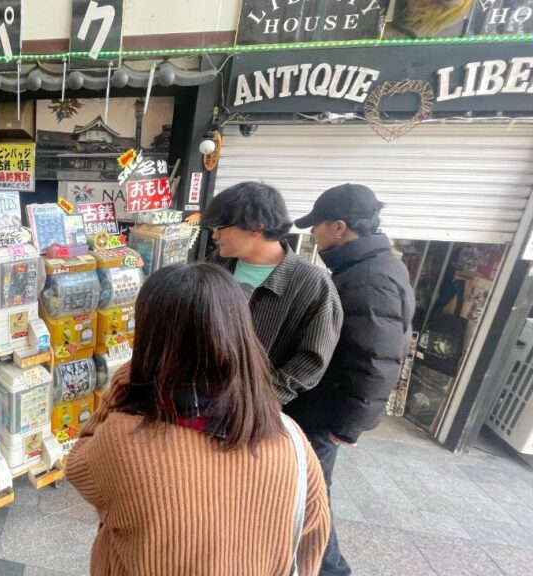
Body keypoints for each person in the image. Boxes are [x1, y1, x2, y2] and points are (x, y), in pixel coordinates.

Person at [67, 263, 330, 576]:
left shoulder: (125, 440)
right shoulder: (292, 440)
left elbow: (79, 469)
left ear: (150, 338)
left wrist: (128, 380)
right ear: (241, 335)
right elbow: (312, 539)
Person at [287, 184, 416, 576]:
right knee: (306, 495)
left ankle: (331, 571)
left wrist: (349, 425)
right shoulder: (371, 265)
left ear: (340, 227)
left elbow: (377, 357)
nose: (314, 235)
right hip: (323, 407)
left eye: (318, 227)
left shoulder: (368, 277)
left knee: (310, 499)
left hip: (325, 413)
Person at [201, 181, 343, 404]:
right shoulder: (217, 264)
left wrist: (261, 401)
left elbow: (312, 359)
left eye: (220, 228)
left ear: (256, 226)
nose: (215, 236)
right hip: (201, 394)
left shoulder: (312, 283)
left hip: (254, 411)